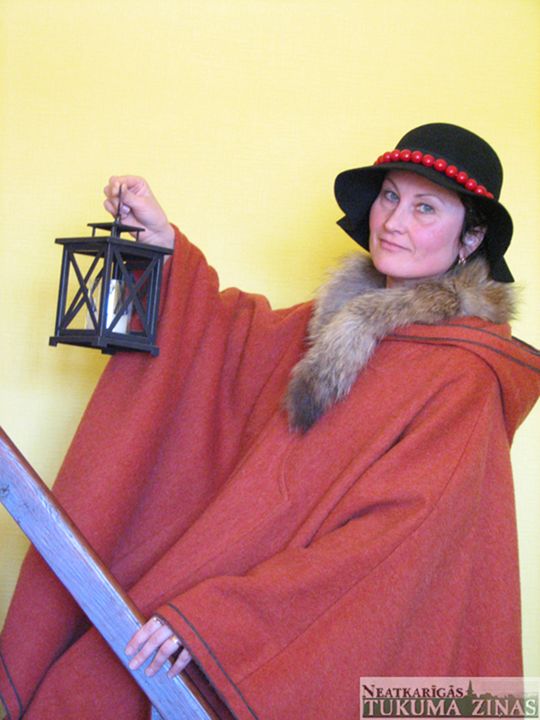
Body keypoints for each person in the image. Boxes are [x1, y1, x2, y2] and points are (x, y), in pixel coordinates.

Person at [0, 123, 539, 720]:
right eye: (390, 195)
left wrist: (220, 623)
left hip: (290, 644)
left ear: (471, 237)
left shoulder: (463, 376)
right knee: (83, 686)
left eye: (426, 207)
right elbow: (227, 348)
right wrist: (160, 247)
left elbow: (391, 550)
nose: (393, 221)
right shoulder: (325, 325)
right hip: (215, 596)